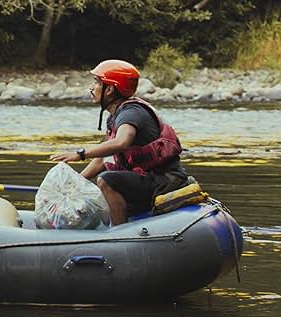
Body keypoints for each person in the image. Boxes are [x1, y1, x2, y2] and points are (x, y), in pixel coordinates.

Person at [50, 60, 188, 225]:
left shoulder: (131, 113)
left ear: (109, 89)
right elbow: (102, 159)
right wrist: (77, 184)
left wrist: (80, 154)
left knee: (106, 180)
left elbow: (122, 142)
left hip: (164, 180)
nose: (92, 88)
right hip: (148, 179)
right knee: (100, 188)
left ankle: (118, 233)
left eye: (97, 83)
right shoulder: (116, 115)